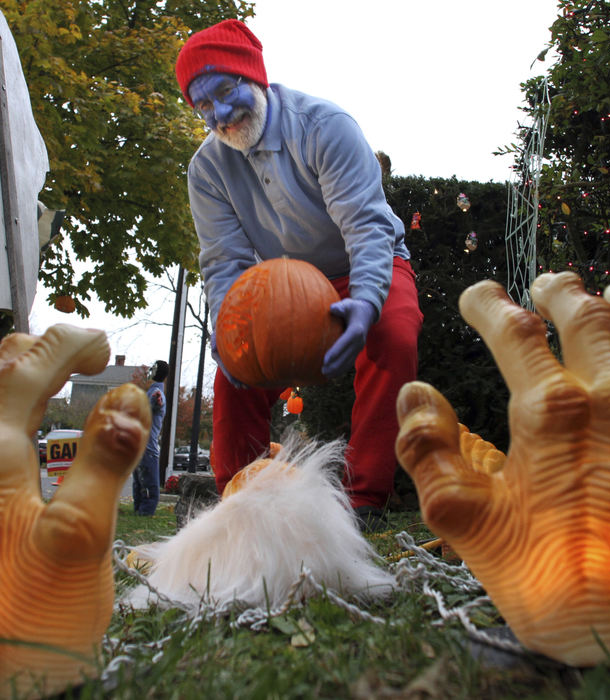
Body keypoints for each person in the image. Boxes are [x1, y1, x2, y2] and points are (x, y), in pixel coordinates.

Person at [175, 20, 423, 532]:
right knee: (235, 371)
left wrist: (370, 298)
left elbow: (366, 225)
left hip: (363, 267)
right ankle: (242, 501)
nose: (219, 114)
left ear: (255, 77)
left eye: (226, 91)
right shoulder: (206, 172)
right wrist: (227, 332)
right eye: (203, 105)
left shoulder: (326, 127)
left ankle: (363, 501)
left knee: (393, 335)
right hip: (278, 287)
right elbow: (225, 262)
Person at [133, 360, 169, 516]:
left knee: (140, 481)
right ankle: (145, 511)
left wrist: (157, 402)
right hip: (148, 447)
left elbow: (153, 404)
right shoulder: (156, 392)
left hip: (139, 444)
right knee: (150, 483)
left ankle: (139, 508)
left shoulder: (155, 393)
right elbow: (153, 405)